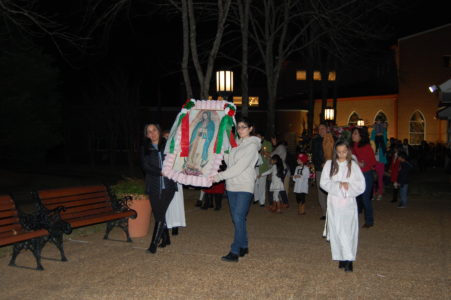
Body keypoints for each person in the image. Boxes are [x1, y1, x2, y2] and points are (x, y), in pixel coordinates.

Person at [210, 117, 261, 262]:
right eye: (238, 127)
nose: (240, 130)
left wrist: (218, 177)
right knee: (237, 218)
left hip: (245, 185)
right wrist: (224, 150)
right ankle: (244, 245)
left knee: (238, 217)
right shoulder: (235, 143)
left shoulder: (252, 146)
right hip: (231, 185)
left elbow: (239, 167)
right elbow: (229, 162)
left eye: (244, 127)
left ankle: (235, 251)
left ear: (251, 129)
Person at [320, 140, 365, 272]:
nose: (341, 155)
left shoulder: (353, 166)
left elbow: (361, 185)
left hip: (348, 204)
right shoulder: (329, 164)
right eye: (339, 152)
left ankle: (349, 258)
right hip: (334, 203)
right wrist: (338, 184)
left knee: (348, 230)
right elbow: (324, 182)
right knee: (337, 230)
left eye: (344, 152)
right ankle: (340, 256)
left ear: (348, 151)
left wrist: (348, 186)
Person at [141, 124, 178, 254]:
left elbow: (177, 161)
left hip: (168, 186)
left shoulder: (169, 145)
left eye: (154, 130)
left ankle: (153, 244)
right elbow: (145, 166)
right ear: (147, 135)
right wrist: (161, 172)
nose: (152, 133)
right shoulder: (145, 148)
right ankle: (166, 238)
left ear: (159, 131)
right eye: (149, 131)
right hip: (154, 186)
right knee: (158, 214)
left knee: (160, 213)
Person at [351, 127, 376, 228]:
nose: (353, 135)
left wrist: (362, 164)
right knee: (355, 198)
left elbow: (372, 162)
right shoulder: (353, 146)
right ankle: (354, 218)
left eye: (355, 134)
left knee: (365, 198)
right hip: (356, 175)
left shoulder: (366, 147)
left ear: (361, 136)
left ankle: (369, 221)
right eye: (353, 133)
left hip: (365, 175)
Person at [162, 130, 186, 237]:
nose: (167, 139)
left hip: (176, 178)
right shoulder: (162, 150)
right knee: (167, 203)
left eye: (169, 137)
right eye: (165, 137)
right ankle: (167, 223)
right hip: (166, 180)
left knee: (177, 202)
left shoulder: (177, 149)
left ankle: (176, 225)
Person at [311, 123, 334, 220]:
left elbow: (335, 153)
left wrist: (329, 163)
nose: (321, 130)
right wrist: (319, 163)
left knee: (331, 190)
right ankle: (325, 212)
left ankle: (332, 211)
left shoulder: (332, 139)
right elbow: (314, 155)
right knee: (321, 190)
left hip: (331, 168)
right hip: (319, 169)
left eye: (323, 128)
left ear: (327, 129)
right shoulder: (315, 141)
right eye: (319, 129)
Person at [185, 111, 216, 175]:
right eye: (203, 115)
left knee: (200, 151)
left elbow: (211, 131)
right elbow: (195, 130)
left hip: (203, 140)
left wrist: (205, 130)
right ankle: (191, 164)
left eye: (205, 115)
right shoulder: (200, 123)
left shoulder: (211, 123)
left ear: (208, 116)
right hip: (197, 139)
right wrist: (198, 130)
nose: (204, 117)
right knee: (193, 150)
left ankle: (197, 165)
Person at [254, 131, 272, 207]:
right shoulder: (253, 143)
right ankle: (256, 198)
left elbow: (270, 154)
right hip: (254, 167)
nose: (257, 138)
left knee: (262, 184)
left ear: (262, 137)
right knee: (255, 184)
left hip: (263, 167)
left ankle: (262, 201)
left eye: (259, 136)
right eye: (256, 136)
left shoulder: (267, 143)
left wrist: (263, 152)